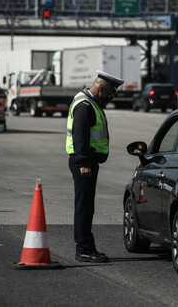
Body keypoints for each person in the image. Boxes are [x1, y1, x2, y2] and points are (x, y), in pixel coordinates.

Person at [66, 70, 123, 263]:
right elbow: (79, 136)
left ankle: (85, 246)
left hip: (88, 162)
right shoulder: (84, 105)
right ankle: (84, 249)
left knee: (86, 206)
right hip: (84, 163)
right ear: (101, 87)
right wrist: (83, 163)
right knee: (84, 207)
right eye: (109, 93)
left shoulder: (89, 102)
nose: (110, 97)